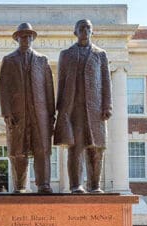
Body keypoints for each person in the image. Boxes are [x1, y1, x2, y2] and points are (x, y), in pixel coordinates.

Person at [53, 19, 112, 193]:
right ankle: (75, 185)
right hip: (73, 110)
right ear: (75, 32)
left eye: (88, 28)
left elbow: (106, 82)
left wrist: (108, 105)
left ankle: (94, 185)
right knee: (75, 148)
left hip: (96, 110)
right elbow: (61, 81)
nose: (85, 31)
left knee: (96, 149)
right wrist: (60, 109)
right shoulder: (66, 54)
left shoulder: (100, 55)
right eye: (81, 28)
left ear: (92, 31)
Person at [0, 23, 55, 193]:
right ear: (17, 38)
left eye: (29, 36)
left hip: (40, 114)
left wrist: (51, 115)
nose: (26, 39)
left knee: (42, 150)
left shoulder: (42, 60)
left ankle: (43, 183)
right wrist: (6, 112)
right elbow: (3, 88)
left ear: (33, 38)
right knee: (18, 151)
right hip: (17, 114)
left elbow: (49, 90)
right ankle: (20, 185)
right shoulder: (9, 60)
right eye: (23, 36)